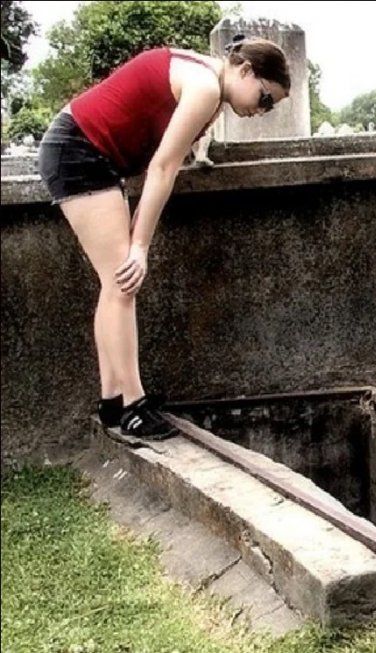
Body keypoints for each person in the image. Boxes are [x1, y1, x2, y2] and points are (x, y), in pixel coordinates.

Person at [37, 35, 291, 439]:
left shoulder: (205, 80)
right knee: (124, 280)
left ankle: (113, 401)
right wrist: (140, 247)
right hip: (80, 150)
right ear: (245, 70)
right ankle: (135, 406)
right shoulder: (206, 87)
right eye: (265, 99)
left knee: (114, 284)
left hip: (83, 150)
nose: (262, 111)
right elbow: (163, 168)